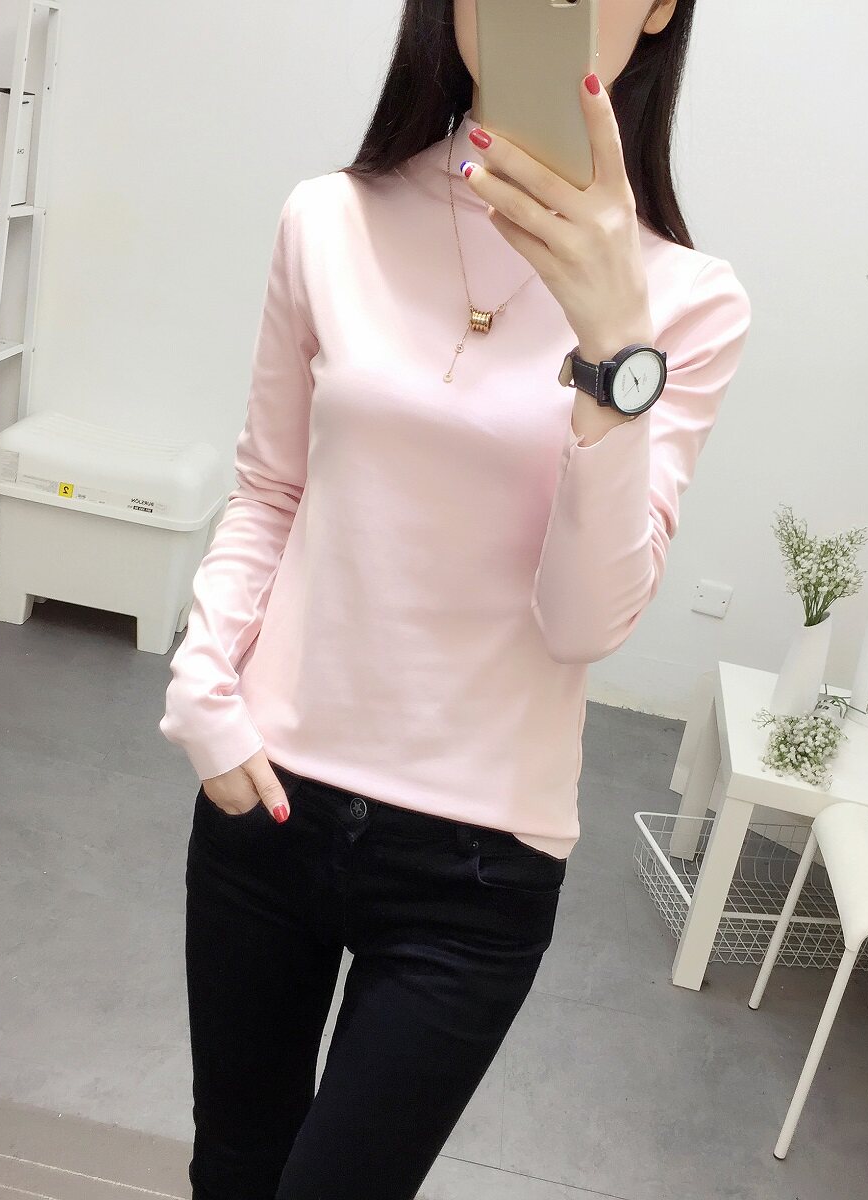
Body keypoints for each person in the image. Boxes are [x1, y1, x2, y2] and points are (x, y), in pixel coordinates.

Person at [159, 1, 751, 1196]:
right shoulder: (330, 219)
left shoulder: (688, 305)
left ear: (661, 9)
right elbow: (270, 489)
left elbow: (585, 623)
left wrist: (613, 351)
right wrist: (203, 691)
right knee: (232, 1169)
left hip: (477, 866)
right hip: (267, 795)